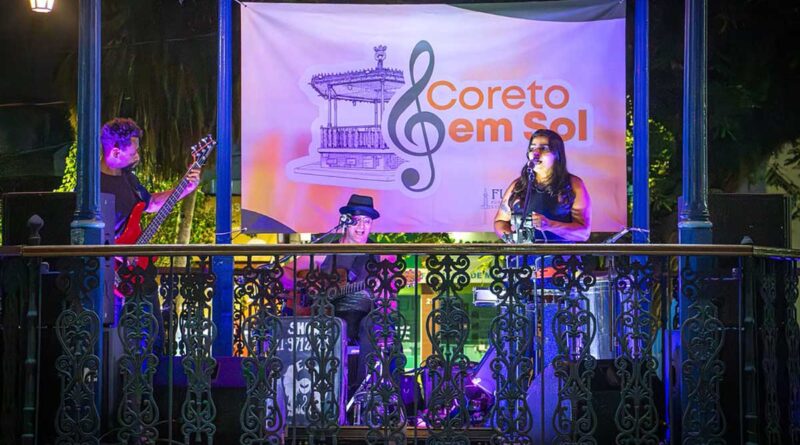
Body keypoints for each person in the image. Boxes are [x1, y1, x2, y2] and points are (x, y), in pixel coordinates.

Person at [100, 117, 200, 238]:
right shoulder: (92, 186)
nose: (137, 157)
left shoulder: (129, 179)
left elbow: (152, 203)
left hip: (129, 249)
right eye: (133, 153)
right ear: (116, 153)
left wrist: (186, 188)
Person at [494, 128, 591, 243]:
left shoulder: (574, 184)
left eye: (543, 148)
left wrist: (550, 225)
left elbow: (583, 234)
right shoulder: (518, 185)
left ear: (557, 154)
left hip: (559, 253)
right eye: (532, 148)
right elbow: (500, 222)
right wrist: (512, 239)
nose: (536, 153)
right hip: (523, 253)